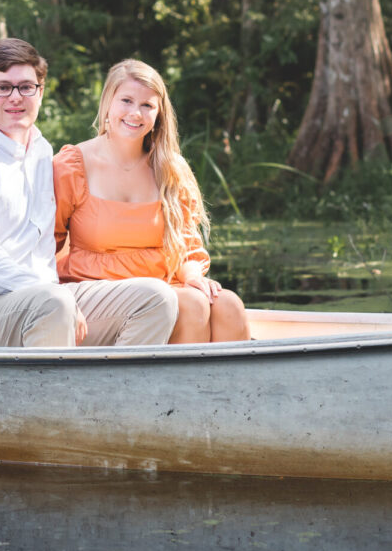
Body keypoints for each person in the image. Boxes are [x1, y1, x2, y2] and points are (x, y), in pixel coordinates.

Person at [0, 38, 178, 348]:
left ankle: (112, 393)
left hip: (48, 300)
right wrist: (52, 294)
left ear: (41, 92)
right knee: (52, 304)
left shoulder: (41, 151)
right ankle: (56, 397)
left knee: (157, 299)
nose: (16, 97)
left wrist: (56, 293)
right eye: (2, 87)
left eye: (26, 87)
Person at [54, 59, 251, 344]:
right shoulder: (71, 165)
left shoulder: (169, 168)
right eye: (126, 100)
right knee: (191, 305)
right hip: (99, 294)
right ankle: (177, 388)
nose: (136, 113)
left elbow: (185, 244)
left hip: (163, 285)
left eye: (147, 105)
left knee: (228, 304)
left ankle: (227, 389)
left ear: (159, 114)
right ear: (108, 101)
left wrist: (194, 277)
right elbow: (45, 245)